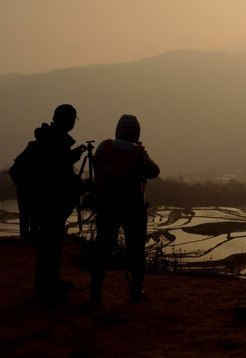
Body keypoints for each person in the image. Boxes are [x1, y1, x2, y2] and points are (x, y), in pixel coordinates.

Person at [90, 114, 160, 304]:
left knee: (102, 249)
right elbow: (154, 171)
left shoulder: (104, 147)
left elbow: (97, 169)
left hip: (106, 207)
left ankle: (95, 293)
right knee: (136, 250)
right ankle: (137, 291)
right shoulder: (138, 152)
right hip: (133, 209)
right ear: (136, 132)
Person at [32, 104, 87, 305]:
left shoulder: (49, 137)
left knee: (50, 244)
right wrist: (78, 184)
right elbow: (58, 172)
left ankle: (50, 283)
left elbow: (57, 164)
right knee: (50, 245)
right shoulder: (56, 140)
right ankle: (47, 290)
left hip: (45, 199)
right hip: (52, 200)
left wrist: (73, 155)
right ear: (69, 120)